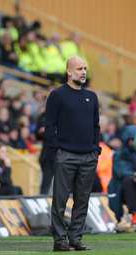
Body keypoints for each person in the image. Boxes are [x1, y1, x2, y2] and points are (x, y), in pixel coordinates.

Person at [45, 56, 100, 252]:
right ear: (69, 71)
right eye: (79, 69)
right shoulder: (57, 95)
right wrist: (57, 149)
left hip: (89, 156)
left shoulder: (92, 97)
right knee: (60, 200)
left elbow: (96, 126)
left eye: (84, 68)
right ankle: (59, 241)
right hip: (65, 155)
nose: (83, 72)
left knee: (82, 200)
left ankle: (75, 239)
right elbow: (49, 125)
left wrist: (96, 148)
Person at [108, 125, 136, 227]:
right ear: (126, 139)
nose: (135, 141)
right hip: (124, 188)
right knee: (128, 180)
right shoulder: (119, 154)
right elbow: (121, 172)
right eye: (132, 139)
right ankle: (135, 214)